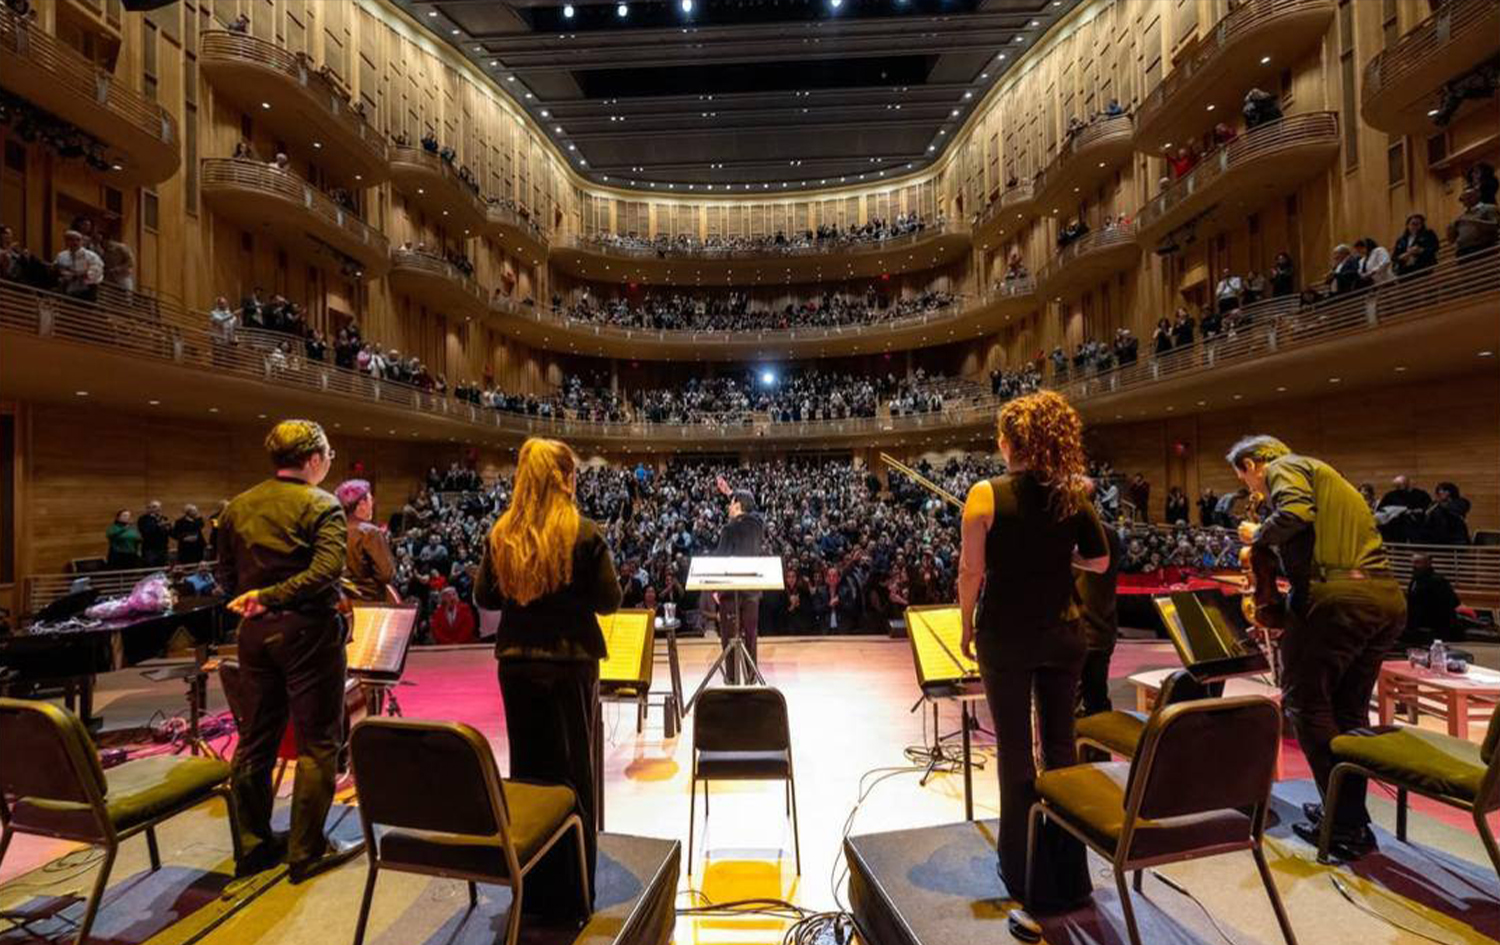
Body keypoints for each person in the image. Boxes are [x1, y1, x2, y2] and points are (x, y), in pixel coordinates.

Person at [958, 391, 1110, 921]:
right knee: (1061, 750)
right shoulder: (1071, 491)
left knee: (1017, 754)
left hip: (1006, 634)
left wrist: (963, 627)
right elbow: (1100, 557)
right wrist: (1057, 555)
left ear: (1005, 442)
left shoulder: (985, 495)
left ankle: (1022, 873)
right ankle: (1069, 874)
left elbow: (971, 573)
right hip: (1065, 633)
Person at [1227, 435, 1405, 860]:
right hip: (1383, 598)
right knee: (1347, 711)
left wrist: (1258, 534)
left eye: (1247, 480)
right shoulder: (1328, 477)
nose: (1255, 490)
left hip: (1337, 599)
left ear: (1253, 463)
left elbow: (1294, 512)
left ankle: (1343, 822)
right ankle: (1347, 814)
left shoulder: (1285, 468)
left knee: (1306, 705)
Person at [474, 437, 618, 917]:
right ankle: (576, 893)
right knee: (576, 773)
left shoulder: (504, 531)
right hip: (572, 663)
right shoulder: (583, 532)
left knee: (530, 772)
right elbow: (609, 601)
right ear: (565, 478)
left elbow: (487, 599)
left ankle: (533, 889)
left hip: (516, 664)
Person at [216, 419, 359, 883]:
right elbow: (325, 572)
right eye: (329, 457)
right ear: (314, 460)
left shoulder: (239, 505)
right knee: (319, 744)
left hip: (254, 635)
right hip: (309, 634)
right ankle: (307, 849)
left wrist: (259, 600)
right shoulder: (322, 505)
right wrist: (277, 597)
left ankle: (254, 848)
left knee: (256, 740)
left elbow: (224, 577)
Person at [711, 478, 767, 681]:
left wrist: (715, 590)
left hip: (730, 593)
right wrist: (731, 493)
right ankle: (751, 678)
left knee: (729, 639)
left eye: (731, 502)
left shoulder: (729, 529)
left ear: (737, 505)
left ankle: (733, 681)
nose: (728, 506)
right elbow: (751, 510)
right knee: (751, 638)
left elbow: (719, 560)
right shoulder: (757, 526)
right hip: (751, 591)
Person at [335, 478, 398, 603]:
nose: (372, 503)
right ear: (361, 504)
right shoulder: (370, 532)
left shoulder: (335, 529)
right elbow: (386, 574)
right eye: (370, 498)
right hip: (369, 604)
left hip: (341, 603)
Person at [1403, 553, 1461, 646]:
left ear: (1428, 563)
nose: (1413, 566)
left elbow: (1453, 602)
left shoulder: (1438, 581)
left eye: (1417, 563)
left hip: (1434, 628)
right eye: (1412, 563)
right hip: (1417, 624)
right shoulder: (1415, 580)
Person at [53, 229, 103, 300]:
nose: (75, 242)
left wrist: (78, 275)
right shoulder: (61, 255)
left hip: (87, 290)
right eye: (71, 240)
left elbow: (97, 272)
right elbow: (56, 267)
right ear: (66, 241)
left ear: (82, 241)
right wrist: (60, 271)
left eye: (78, 240)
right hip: (66, 287)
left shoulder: (91, 256)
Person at [136, 499, 171, 568]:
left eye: (158, 507)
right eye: (154, 507)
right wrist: (158, 525)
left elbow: (169, 532)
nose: (157, 509)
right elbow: (145, 531)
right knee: (150, 569)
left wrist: (169, 529)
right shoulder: (143, 519)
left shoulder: (163, 518)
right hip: (150, 549)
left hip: (163, 548)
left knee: (162, 568)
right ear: (150, 508)